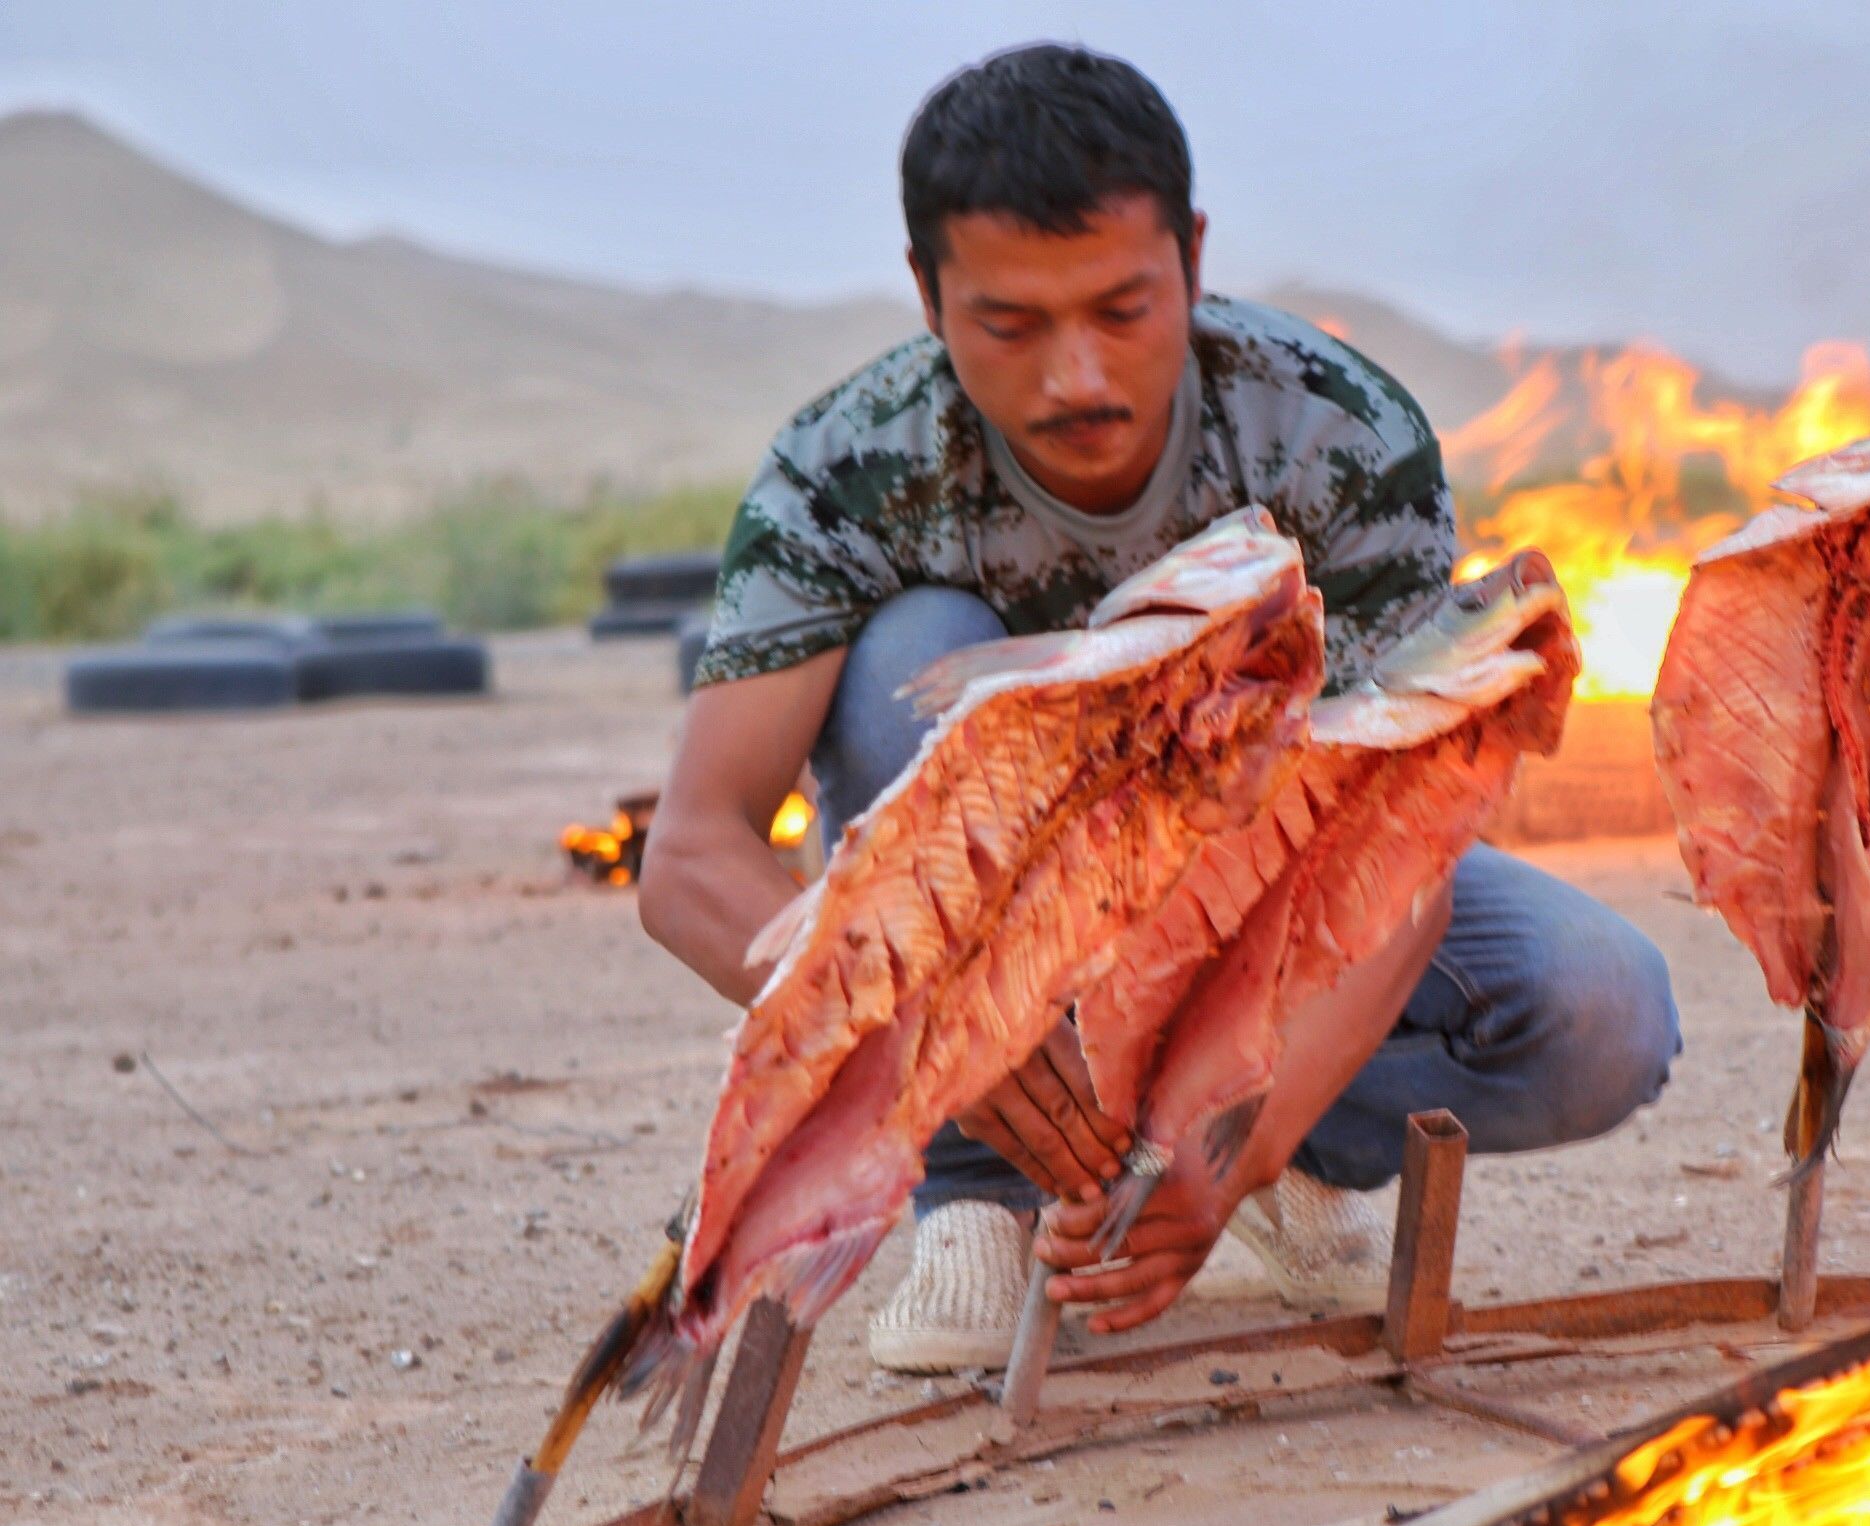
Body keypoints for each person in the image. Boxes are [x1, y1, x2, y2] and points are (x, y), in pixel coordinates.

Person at [639, 43, 1681, 1373]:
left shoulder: (1332, 435)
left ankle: (1239, 1160)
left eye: (1124, 309)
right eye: (1009, 326)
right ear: (927, 292)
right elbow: (692, 859)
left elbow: (1398, 836)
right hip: (983, 908)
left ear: (1191, 255)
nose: (1076, 375)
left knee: (1600, 1011)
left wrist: (1228, 1153)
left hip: (1266, 874)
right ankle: (981, 1192)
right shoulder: (851, 468)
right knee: (923, 650)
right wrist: (942, 1054)